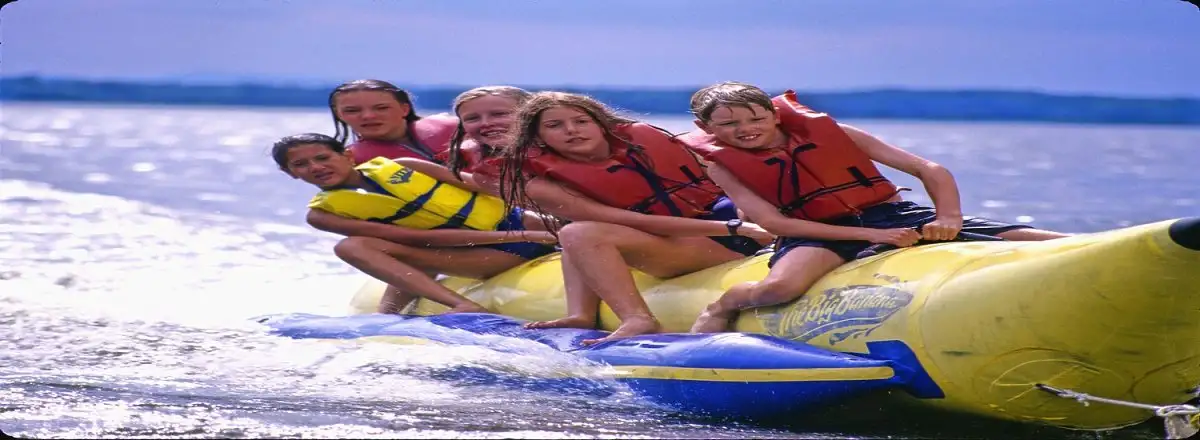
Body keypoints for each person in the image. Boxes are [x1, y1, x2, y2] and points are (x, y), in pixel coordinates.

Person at [679, 82, 1071, 333]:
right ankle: (726, 303)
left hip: (890, 215)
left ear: (775, 114)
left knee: (1046, 240)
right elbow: (774, 223)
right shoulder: (723, 166)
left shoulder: (835, 133)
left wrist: (948, 216)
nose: (746, 129)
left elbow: (928, 169)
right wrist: (868, 235)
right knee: (779, 289)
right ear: (705, 127)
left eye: (756, 118)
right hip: (815, 231)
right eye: (729, 124)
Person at [496, 91, 775, 345]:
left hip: (739, 226)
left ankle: (583, 314)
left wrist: (748, 215)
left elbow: (732, 176)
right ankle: (636, 318)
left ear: (601, 124)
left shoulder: (647, 140)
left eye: (581, 121)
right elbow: (636, 222)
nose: (571, 130)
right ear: (537, 137)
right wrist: (734, 228)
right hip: (691, 245)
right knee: (575, 233)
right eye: (554, 125)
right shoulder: (543, 186)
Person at [271, 133, 558, 314]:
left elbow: (488, 188)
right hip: (486, 254)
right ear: (289, 173)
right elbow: (417, 240)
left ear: (346, 154)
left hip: (527, 226)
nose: (316, 167)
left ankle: (388, 313)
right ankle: (461, 304)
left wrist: (559, 217)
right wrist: (522, 236)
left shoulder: (406, 165)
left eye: (323, 157)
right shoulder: (323, 215)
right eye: (301, 165)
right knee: (351, 247)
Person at [328, 79, 458, 165]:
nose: (368, 116)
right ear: (339, 115)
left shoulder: (451, 127)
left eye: (382, 108)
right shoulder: (352, 161)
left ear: (404, 109)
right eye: (352, 111)